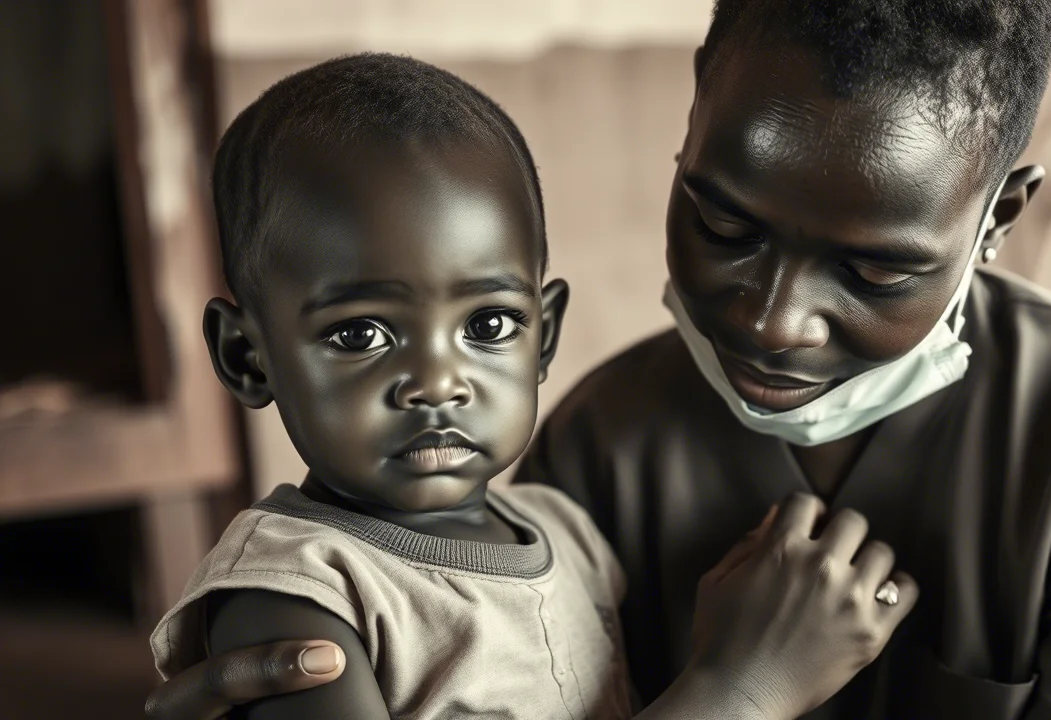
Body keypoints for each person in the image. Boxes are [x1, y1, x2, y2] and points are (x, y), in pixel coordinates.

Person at [146, 1, 1051, 718]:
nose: (775, 323)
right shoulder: (595, 457)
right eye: (724, 224)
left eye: (875, 268)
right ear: (691, 119)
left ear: (998, 217)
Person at [147, 52, 920, 720]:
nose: (438, 384)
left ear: (543, 337)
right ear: (248, 358)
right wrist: (742, 690)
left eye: (488, 326)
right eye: (360, 335)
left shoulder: (570, 536)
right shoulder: (296, 595)